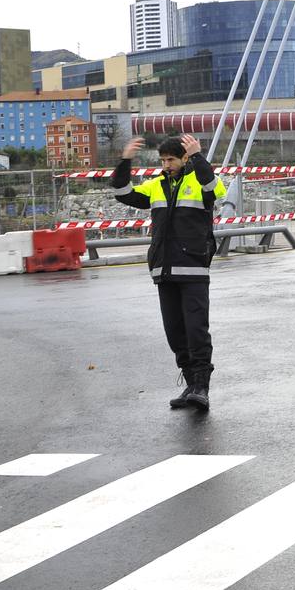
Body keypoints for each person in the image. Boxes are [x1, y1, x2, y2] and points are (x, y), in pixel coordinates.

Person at [111, 133, 227, 410]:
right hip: (164, 270)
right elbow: (121, 192)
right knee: (175, 332)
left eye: (171, 159)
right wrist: (125, 160)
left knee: (196, 330)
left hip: (194, 268)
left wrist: (199, 156)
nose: (166, 165)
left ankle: (202, 387)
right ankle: (190, 384)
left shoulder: (199, 180)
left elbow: (214, 188)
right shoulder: (156, 185)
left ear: (185, 158)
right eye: (163, 160)